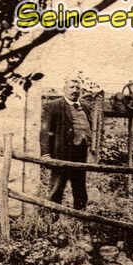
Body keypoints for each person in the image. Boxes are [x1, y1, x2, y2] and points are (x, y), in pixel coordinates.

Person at [40, 75, 92, 210]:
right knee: (56, 188)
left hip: (80, 154)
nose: (75, 90)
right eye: (71, 87)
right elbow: (45, 131)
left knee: (80, 188)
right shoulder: (53, 106)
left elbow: (88, 128)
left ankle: (80, 219)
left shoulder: (85, 107)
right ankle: (50, 219)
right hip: (61, 153)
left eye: (78, 88)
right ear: (64, 89)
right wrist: (45, 154)